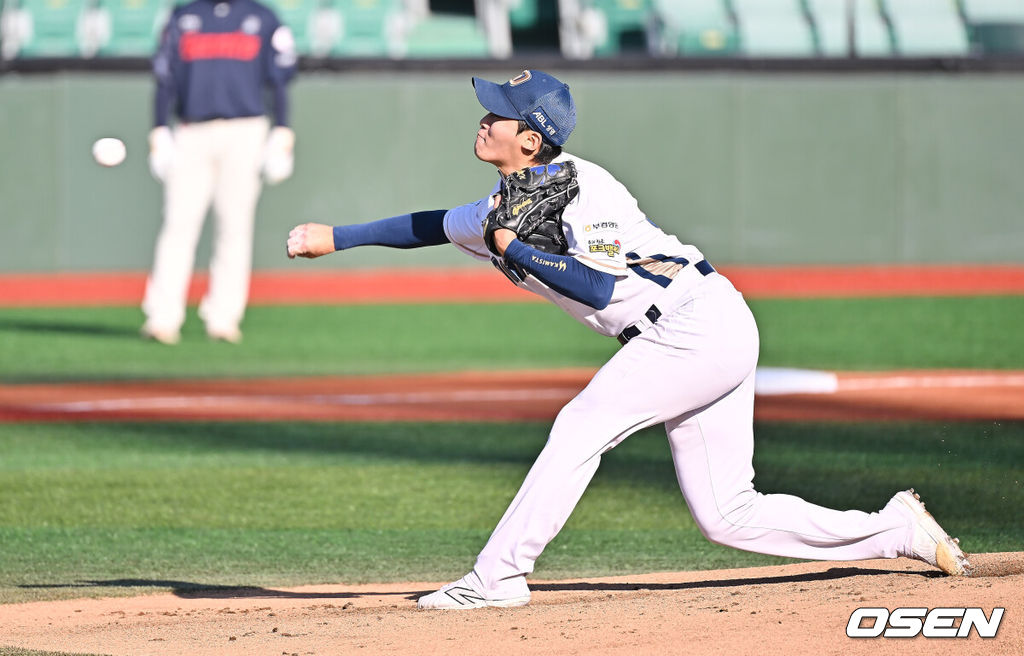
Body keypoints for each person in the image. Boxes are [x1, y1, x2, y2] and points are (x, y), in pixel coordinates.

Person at [285, 70, 970, 610]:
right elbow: (433, 223)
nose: (483, 117)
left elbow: (598, 288)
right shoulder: (504, 201)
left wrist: (518, 250)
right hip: (687, 333)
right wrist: (334, 238)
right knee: (728, 516)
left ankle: (498, 576)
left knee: (581, 424)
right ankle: (895, 531)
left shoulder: (590, 193)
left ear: (530, 139)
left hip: (694, 325)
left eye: (497, 112)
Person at [142, 0, 298, 345]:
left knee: (235, 226)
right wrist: (158, 130)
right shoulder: (184, 17)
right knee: (178, 225)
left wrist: (282, 131)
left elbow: (279, 79)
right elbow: (164, 77)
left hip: (246, 129)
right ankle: (162, 317)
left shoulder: (261, 17)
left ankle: (224, 317)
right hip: (191, 129)